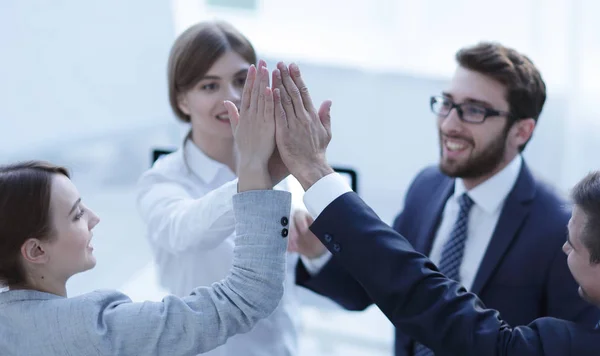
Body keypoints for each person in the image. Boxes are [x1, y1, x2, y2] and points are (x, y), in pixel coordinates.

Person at [270, 60, 600, 355]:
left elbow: (454, 316)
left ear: (522, 130)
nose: (449, 124)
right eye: (447, 104)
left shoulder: (565, 226)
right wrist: (321, 254)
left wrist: (317, 174)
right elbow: (388, 284)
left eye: (475, 110)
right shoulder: (427, 187)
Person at [0, 64, 291, 356]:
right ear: (36, 251)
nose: (94, 218)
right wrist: (255, 173)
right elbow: (246, 296)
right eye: (76, 214)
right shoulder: (93, 328)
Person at [136, 20, 300, 356]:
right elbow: (184, 231)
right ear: (182, 101)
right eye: (210, 87)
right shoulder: (162, 181)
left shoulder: (280, 170)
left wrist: (314, 249)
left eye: (242, 81)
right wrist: (255, 178)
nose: (233, 98)